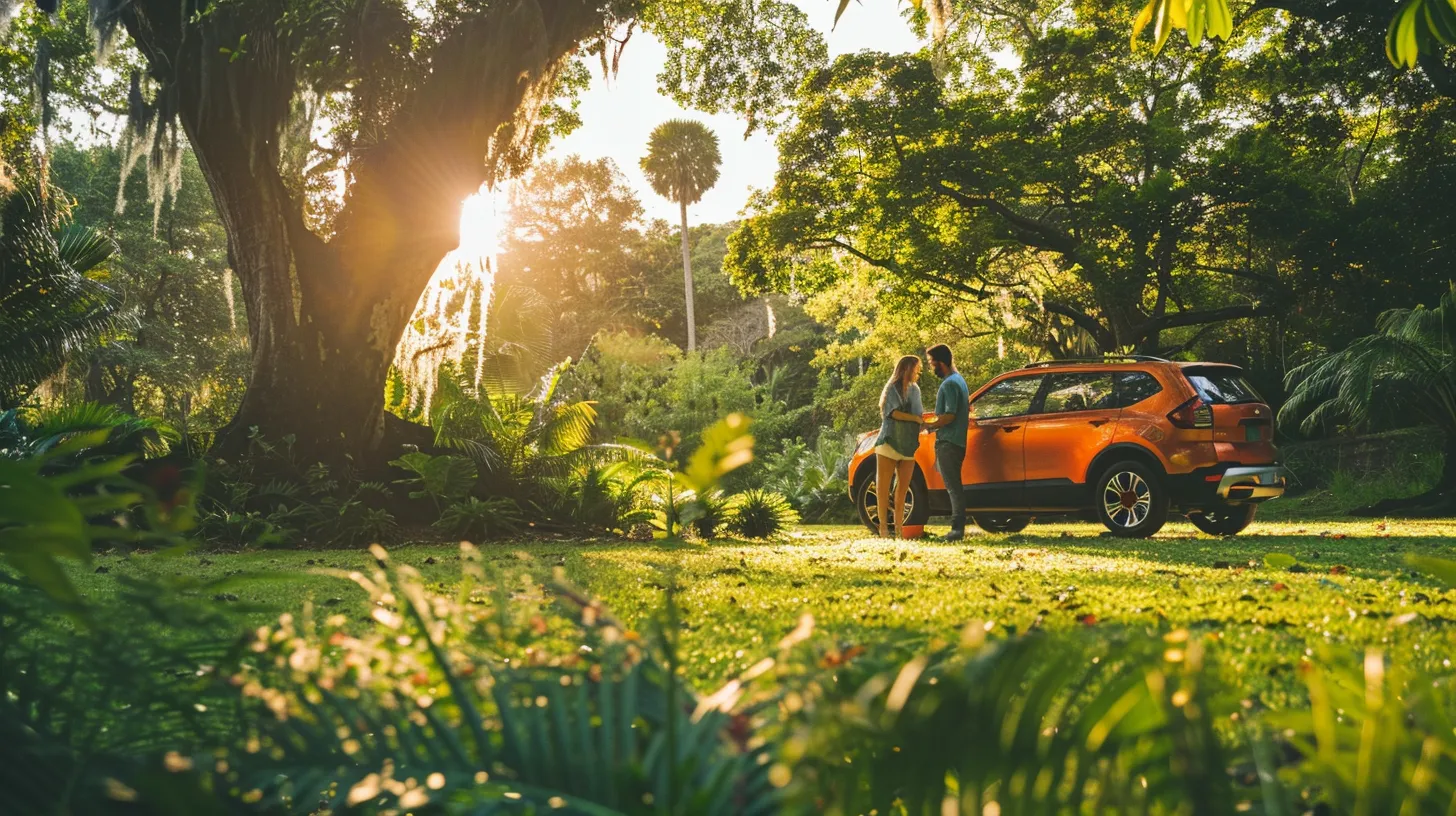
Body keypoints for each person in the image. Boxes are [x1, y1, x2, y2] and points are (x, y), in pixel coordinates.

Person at [873, 355, 925, 538]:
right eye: (915, 368)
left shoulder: (915, 389)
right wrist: (914, 419)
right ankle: (884, 529)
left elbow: (920, 414)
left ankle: (899, 530)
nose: (918, 371)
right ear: (907, 368)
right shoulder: (892, 388)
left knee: (902, 490)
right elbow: (893, 413)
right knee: (883, 488)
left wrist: (929, 423)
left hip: (908, 443)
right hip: (889, 441)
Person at [924, 343, 969, 541]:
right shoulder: (959, 380)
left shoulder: (950, 384)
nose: (931, 367)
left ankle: (956, 530)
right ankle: (957, 528)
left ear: (941, 363)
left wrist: (928, 425)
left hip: (949, 442)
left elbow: (949, 416)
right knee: (954, 486)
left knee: (953, 487)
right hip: (956, 441)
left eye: (932, 363)